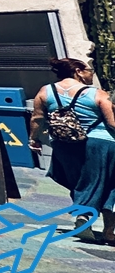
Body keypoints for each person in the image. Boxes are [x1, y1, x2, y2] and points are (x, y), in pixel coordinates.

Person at [31, 58, 115, 243]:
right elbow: (112, 123)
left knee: (80, 182)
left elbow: (37, 119)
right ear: (78, 71)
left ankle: (87, 218)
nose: (91, 74)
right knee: (108, 183)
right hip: (100, 144)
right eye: (89, 70)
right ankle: (98, 224)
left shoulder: (46, 91)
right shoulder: (96, 93)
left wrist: (33, 139)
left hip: (64, 145)